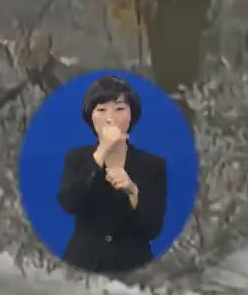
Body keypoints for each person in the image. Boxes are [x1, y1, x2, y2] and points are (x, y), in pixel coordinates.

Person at [56, 75, 168, 274]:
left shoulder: (153, 165)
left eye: (119, 109)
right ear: (90, 116)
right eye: (101, 110)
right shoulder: (76, 158)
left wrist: (133, 192)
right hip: (82, 265)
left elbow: (152, 229)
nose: (111, 118)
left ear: (132, 115)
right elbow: (69, 203)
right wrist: (102, 151)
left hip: (132, 268)